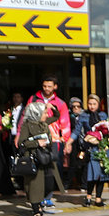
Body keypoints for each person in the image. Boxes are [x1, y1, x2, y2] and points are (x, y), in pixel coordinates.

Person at [25, 76, 70, 208]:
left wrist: (65, 139)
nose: (46, 89)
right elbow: (26, 116)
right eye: (45, 86)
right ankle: (36, 197)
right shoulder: (33, 99)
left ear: (55, 87)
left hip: (53, 139)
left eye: (50, 86)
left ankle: (48, 196)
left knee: (51, 169)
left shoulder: (60, 103)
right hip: (35, 138)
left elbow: (65, 121)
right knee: (37, 169)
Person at [16, 100, 60, 216]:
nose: (46, 115)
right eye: (44, 112)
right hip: (33, 158)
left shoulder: (43, 123)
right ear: (36, 113)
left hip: (45, 158)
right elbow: (21, 143)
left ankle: (39, 204)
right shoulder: (27, 125)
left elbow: (56, 116)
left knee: (47, 184)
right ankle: (36, 210)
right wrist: (37, 143)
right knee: (35, 185)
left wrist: (53, 107)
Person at [69, 94, 109, 207]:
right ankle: (88, 196)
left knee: (102, 174)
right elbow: (77, 130)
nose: (92, 106)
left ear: (98, 104)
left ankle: (98, 198)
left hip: (103, 147)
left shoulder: (103, 115)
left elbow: (108, 130)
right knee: (92, 173)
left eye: (94, 104)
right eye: (89, 104)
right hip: (91, 148)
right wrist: (69, 142)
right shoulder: (84, 116)